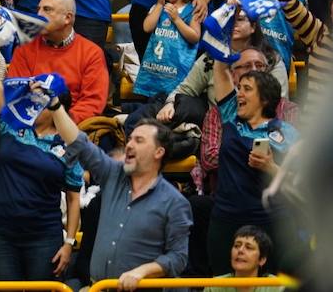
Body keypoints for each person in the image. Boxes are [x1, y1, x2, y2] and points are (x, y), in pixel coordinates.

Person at [48, 99, 190, 288]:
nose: (129, 145)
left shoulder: (175, 202)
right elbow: (79, 143)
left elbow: (178, 257)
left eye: (139, 140)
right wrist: (56, 107)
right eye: (130, 138)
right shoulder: (113, 174)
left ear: (159, 152)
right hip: (97, 287)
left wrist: (143, 271)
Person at [0, 37, 81, 282]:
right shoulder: (12, 124)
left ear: (58, 107)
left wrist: (69, 243)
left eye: (42, 102)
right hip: (2, 232)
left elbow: (74, 197)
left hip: (44, 236)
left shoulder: (69, 143)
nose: (34, 105)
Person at [207, 35, 297, 272]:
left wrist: (270, 167)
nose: (239, 94)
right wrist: (227, 16)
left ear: (264, 98)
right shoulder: (229, 117)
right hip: (226, 219)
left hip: (270, 221)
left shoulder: (286, 133)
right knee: (221, 281)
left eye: (247, 89)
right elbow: (219, 67)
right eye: (239, 88)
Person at [8, 0, 110, 123]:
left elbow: (92, 103)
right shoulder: (24, 48)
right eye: (38, 9)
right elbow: (16, 95)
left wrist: (61, 124)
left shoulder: (92, 53)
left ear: (67, 18)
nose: (39, 15)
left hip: (74, 126)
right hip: (31, 124)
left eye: (47, 10)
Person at [203, 225, 289, 292]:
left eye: (249, 247)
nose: (240, 250)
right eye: (237, 245)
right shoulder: (214, 286)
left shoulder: (277, 287)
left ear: (262, 259)